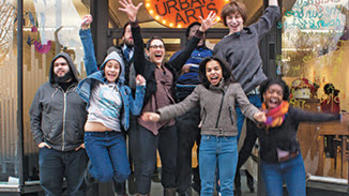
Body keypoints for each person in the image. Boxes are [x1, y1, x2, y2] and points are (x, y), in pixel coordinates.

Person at [118, 0, 217, 195]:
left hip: (168, 123)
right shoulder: (143, 66)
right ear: (148, 52)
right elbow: (138, 48)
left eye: (161, 47)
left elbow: (187, 51)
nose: (158, 49)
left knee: (170, 164)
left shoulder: (171, 68)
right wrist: (134, 23)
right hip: (146, 123)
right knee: (145, 167)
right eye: (154, 47)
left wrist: (200, 31)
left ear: (164, 51)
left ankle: (169, 192)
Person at [141, 56, 266, 196]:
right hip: (208, 142)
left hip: (228, 143)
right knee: (206, 187)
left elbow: (246, 106)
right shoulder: (200, 90)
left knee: (226, 187)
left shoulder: (234, 88)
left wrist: (257, 115)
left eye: (216, 69)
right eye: (209, 70)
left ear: (222, 71)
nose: (213, 72)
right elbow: (182, 106)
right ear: (205, 74)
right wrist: (160, 114)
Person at [237, 78, 348, 196]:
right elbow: (247, 147)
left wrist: (339, 118)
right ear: (264, 95)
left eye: (278, 93)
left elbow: (313, 117)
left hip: (293, 164)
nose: (274, 95)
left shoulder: (290, 113)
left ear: (283, 97)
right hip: (270, 167)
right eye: (271, 92)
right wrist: (233, 170)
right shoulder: (256, 120)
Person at [213, 0, 280, 193]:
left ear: (243, 18)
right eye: (230, 18)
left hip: (258, 97)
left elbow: (272, 14)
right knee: (230, 142)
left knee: (266, 138)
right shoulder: (221, 47)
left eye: (237, 17)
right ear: (225, 21)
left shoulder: (252, 32)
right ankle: (223, 182)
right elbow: (218, 78)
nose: (234, 21)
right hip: (236, 99)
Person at [76, 15, 146, 187]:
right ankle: (91, 170)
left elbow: (136, 110)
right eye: (109, 66)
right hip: (94, 135)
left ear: (120, 71)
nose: (112, 70)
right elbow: (89, 57)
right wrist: (85, 31)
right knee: (105, 175)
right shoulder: (96, 82)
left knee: (123, 173)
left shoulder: (124, 90)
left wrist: (141, 88)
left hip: (115, 136)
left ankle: (99, 164)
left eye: (116, 67)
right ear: (104, 68)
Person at [29, 52, 88, 196]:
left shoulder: (83, 88)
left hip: (77, 150)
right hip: (50, 150)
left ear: (70, 67)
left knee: (78, 192)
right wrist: (39, 141)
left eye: (63, 64)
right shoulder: (44, 90)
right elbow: (34, 116)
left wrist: (87, 141)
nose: (59, 68)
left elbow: (93, 116)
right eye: (56, 65)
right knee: (51, 192)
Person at [169, 22, 213, 196]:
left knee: (206, 149)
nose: (199, 34)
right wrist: (180, 71)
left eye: (201, 31)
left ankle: (201, 183)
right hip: (185, 105)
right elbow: (167, 72)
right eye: (195, 32)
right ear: (189, 36)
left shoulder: (212, 55)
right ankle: (184, 187)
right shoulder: (181, 54)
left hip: (206, 107)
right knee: (184, 149)